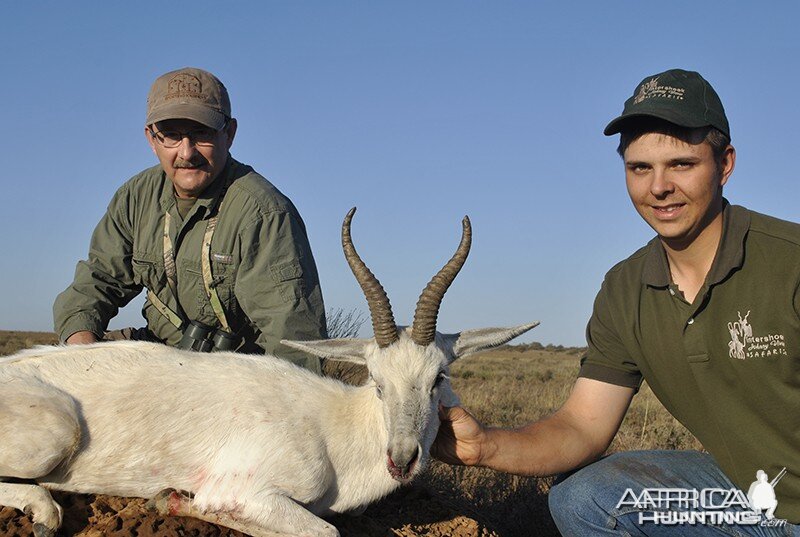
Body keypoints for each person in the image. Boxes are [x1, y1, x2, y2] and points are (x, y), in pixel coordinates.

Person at [432, 69, 800, 534]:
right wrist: (484, 446)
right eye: (640, 168)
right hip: (748, 498)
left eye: (682, 164)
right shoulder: (625, 288)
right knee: (585, 498)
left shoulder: (789, 262)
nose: (659, 187)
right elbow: (582, 427)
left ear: (724, 164)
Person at [53, 67, 327, 372]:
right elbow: (97, 282)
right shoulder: (135, 197)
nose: (186, 152)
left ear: (229, 134)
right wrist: (80, 354)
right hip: (155, 356)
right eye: (171, 135)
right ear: (151, 138)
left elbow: (294, 343)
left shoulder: (263, 213)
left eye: (202, 133)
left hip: (237, 381)